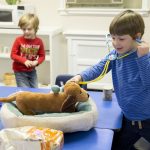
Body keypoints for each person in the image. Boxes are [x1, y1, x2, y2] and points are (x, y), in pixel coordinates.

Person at [68, 10, 150, 150]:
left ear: (137, 37)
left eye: (121, 39)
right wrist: (79, 77)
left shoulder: (145, 57)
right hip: (127, 118)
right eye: (113, 38)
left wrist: (143, 57)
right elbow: (99, 68)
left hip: (146, 122)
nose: (115, 43)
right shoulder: (115, 55)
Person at [11, 13, 45, 88]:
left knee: (35, 91)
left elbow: (42, 56)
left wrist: (36, 62)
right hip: (19, 71)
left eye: (29, 29)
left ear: (35, 28)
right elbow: (13, 55)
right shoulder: (18, 40)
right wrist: (24, 61)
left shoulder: (39, 42)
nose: (26, 31)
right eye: (24, 29)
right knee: (24, 92)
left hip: (32, 71)